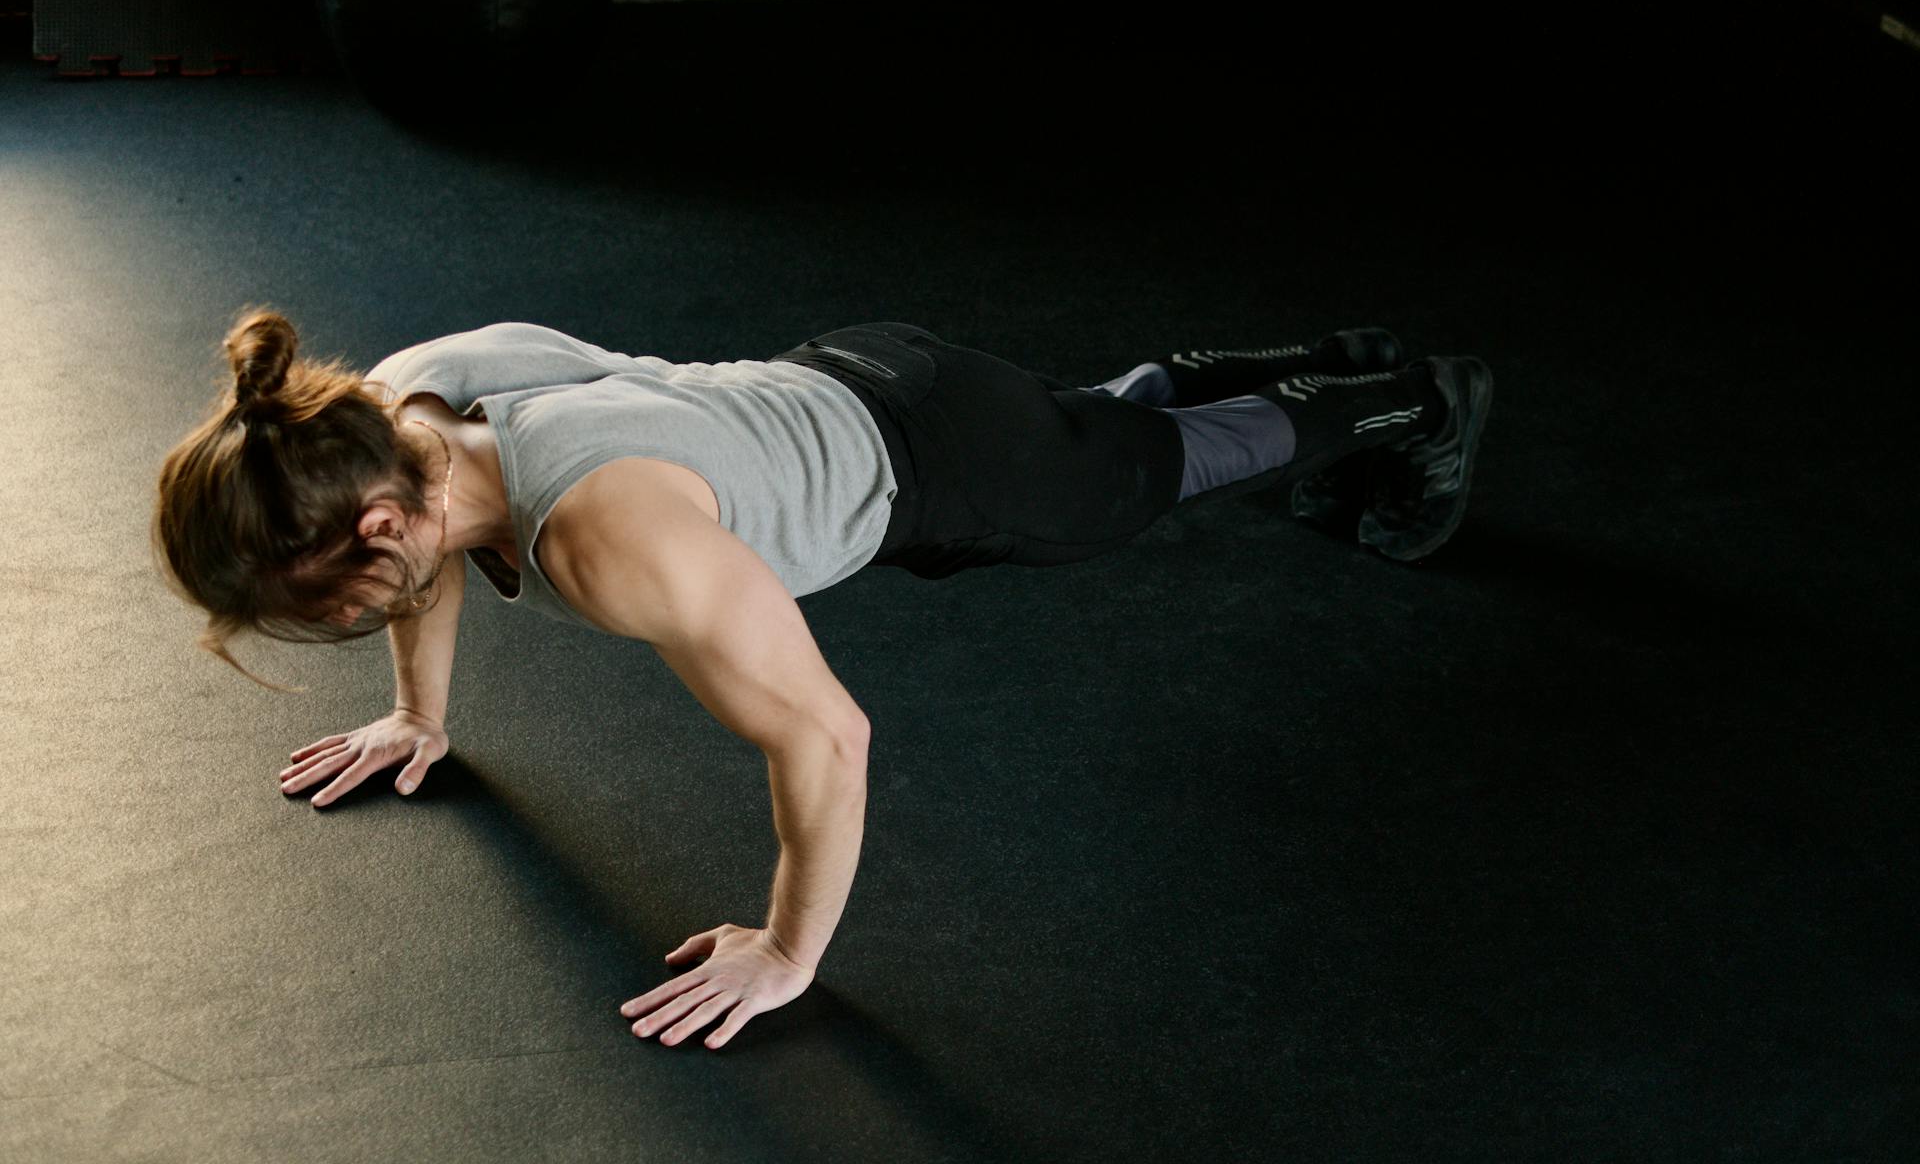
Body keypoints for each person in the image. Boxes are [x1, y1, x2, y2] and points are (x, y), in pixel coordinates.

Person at [151, 308, 1492, 1052]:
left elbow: (828, 739)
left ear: (373, 526)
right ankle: (1340, 358)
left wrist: (788, 952)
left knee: (1149, 473)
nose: (320, 620)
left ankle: (1418, 400)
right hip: (855, 372)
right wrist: (418, 716)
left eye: (306, 599)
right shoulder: (404, 406)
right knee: (1104, 424)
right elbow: (424, 565)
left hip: (944, 464)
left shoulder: (616, 546)